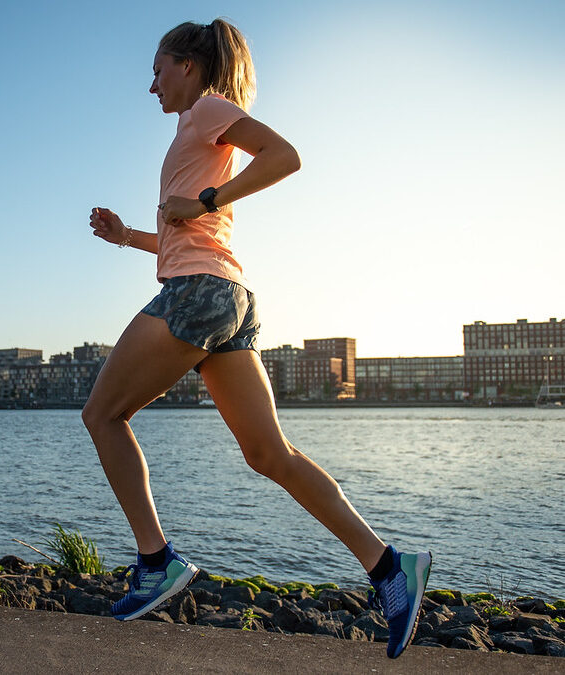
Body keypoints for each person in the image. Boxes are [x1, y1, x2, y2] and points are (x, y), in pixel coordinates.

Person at [83, 19, 431, 659]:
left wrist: (209, 195)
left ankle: (156, 562)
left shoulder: (207, 110)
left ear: (189, 66)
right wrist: (130, 235)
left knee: (102, 414)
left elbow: (285, 156)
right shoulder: (194, 133)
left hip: (198, 295)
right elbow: (187, 235)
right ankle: (388, 568)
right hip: (227, 298)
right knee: (271, 454)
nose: (150, 84)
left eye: (158, 69)